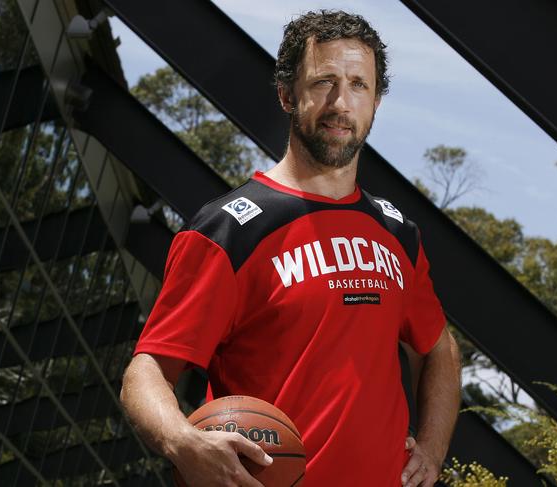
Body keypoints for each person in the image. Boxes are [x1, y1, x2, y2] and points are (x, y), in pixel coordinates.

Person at [120, 10, 461, 487]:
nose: (341, 102)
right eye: (324, 82)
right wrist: (185, 443)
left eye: (359, 85)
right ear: (287, 95)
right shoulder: (227, 231)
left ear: (376, 101)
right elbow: (148, 369)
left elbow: (439, 348)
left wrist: (432, 447)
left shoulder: (397, 232)